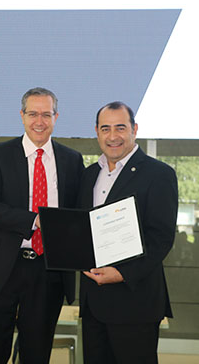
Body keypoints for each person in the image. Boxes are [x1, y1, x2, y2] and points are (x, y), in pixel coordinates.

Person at [0, 87, 84, 364]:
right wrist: (34, 220)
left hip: (48, 271)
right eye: (33, 113)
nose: (39, 121)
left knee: (36, 354)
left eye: (46, 114)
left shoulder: (72, 160)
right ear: (22, 116)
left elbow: (78, 215)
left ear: (57, 117)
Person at [77, 101, 178, 364]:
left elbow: (161, 238)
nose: (113, 137)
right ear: (96, 132)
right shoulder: (88, 176)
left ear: (134, 129)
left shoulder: (159, 174)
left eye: (120, 128)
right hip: (94, 304)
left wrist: (122, 273)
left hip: (136, 303)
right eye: (106, 128)